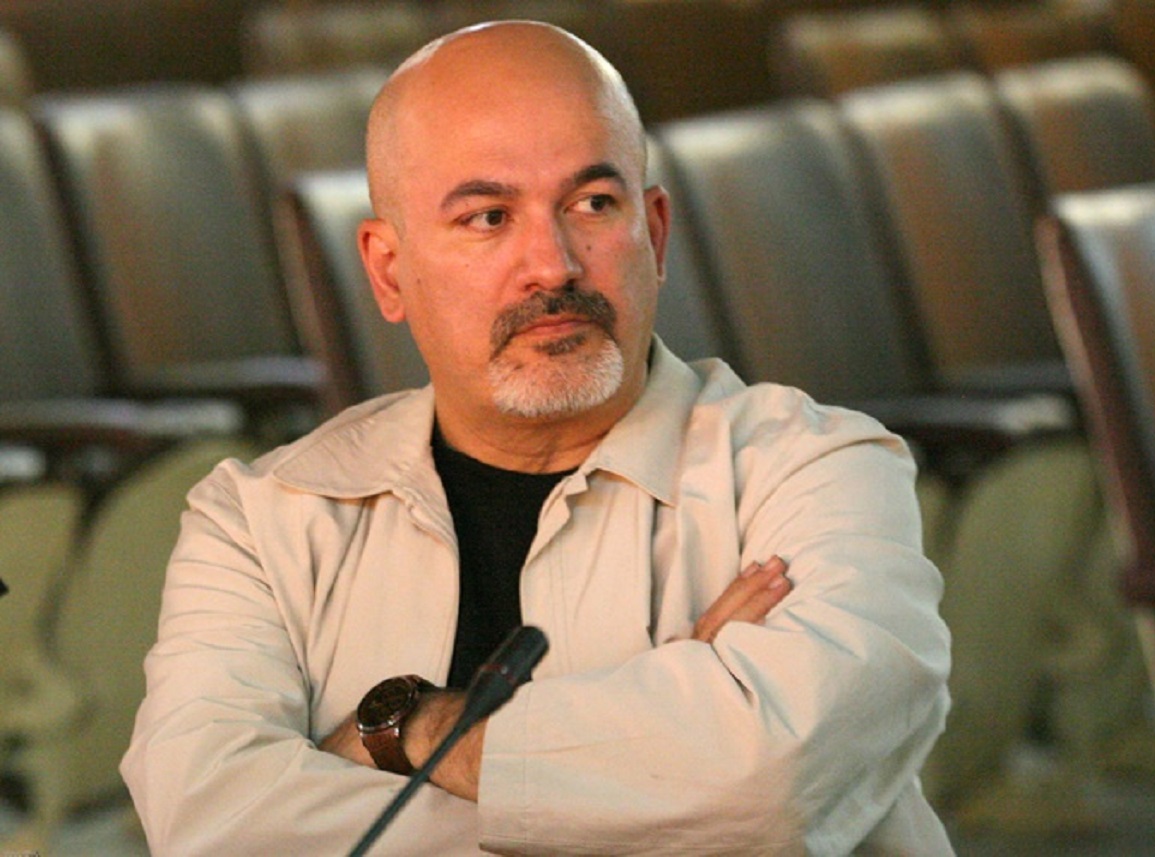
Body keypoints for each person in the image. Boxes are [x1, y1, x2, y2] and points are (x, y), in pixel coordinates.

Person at [121, 21, 953, 856]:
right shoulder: (258, 521)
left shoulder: (819, 470)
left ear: (655, 233)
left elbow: (775, 783)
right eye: (488, 217)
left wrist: (409, 731)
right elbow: (210, 822)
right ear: (388, 270)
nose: (552, 265)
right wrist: (663, 775)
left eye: (593, 204)